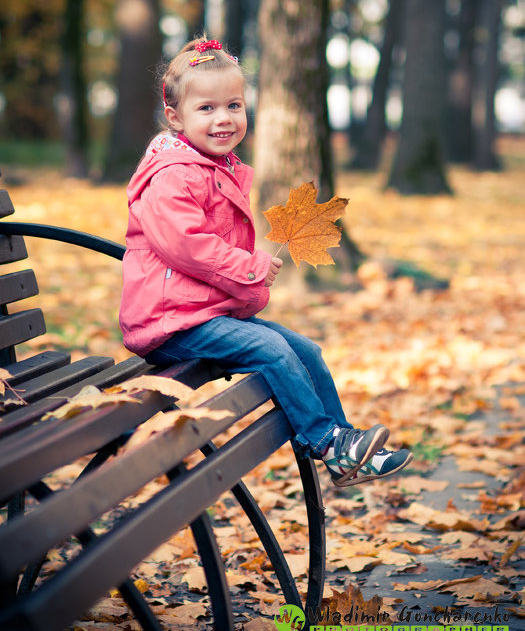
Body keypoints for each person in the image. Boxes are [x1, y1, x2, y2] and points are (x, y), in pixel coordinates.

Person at [119, 37, 413, 487]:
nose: (224, 118)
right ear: (176, 117)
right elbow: (186, 246)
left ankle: (344, 446)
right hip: (168, 324)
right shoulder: (172, 176)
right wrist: (249, 268)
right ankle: (326, 442)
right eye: (207, 109)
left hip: (201, 315)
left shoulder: (215, 167)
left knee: (305, 350)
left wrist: (246, 277)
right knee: (271, 349)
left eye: (234, 105)